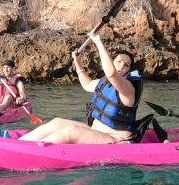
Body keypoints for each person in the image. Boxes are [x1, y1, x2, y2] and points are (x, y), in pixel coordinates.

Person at [13, 34, 142, 144]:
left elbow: (111, 74)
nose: (122, 66)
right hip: (97, 131)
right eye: (118, 62)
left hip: (117, 139)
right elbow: (87, 84)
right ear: (112, 62)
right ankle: (19, 143)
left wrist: (98, 42)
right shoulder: (104, 83)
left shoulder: (128, 88)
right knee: (57, 122)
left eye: (126, 65)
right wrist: (77, 62)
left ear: (129, 70)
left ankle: (30, 151)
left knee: (72, 131)